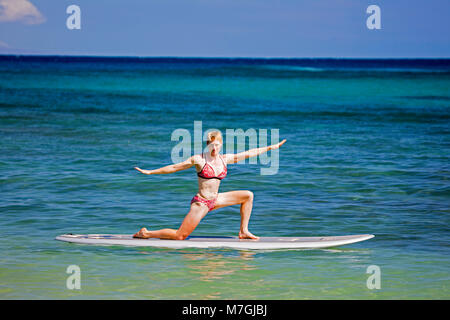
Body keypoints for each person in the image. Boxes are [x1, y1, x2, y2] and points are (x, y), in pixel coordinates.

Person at [133, 131, 287, 240]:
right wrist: (150, 172)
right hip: (202, 202)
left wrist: (269, 148)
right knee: (180, 236)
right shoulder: (199, 159)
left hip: (217, 199)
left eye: (218, 145)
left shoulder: (224, 159)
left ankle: (243, 231)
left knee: (248, 195)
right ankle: (146, 233)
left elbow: (248, 153)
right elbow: (174, 167)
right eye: (212, 145)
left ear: (221, 145)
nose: (215, 148)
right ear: (208, 145)